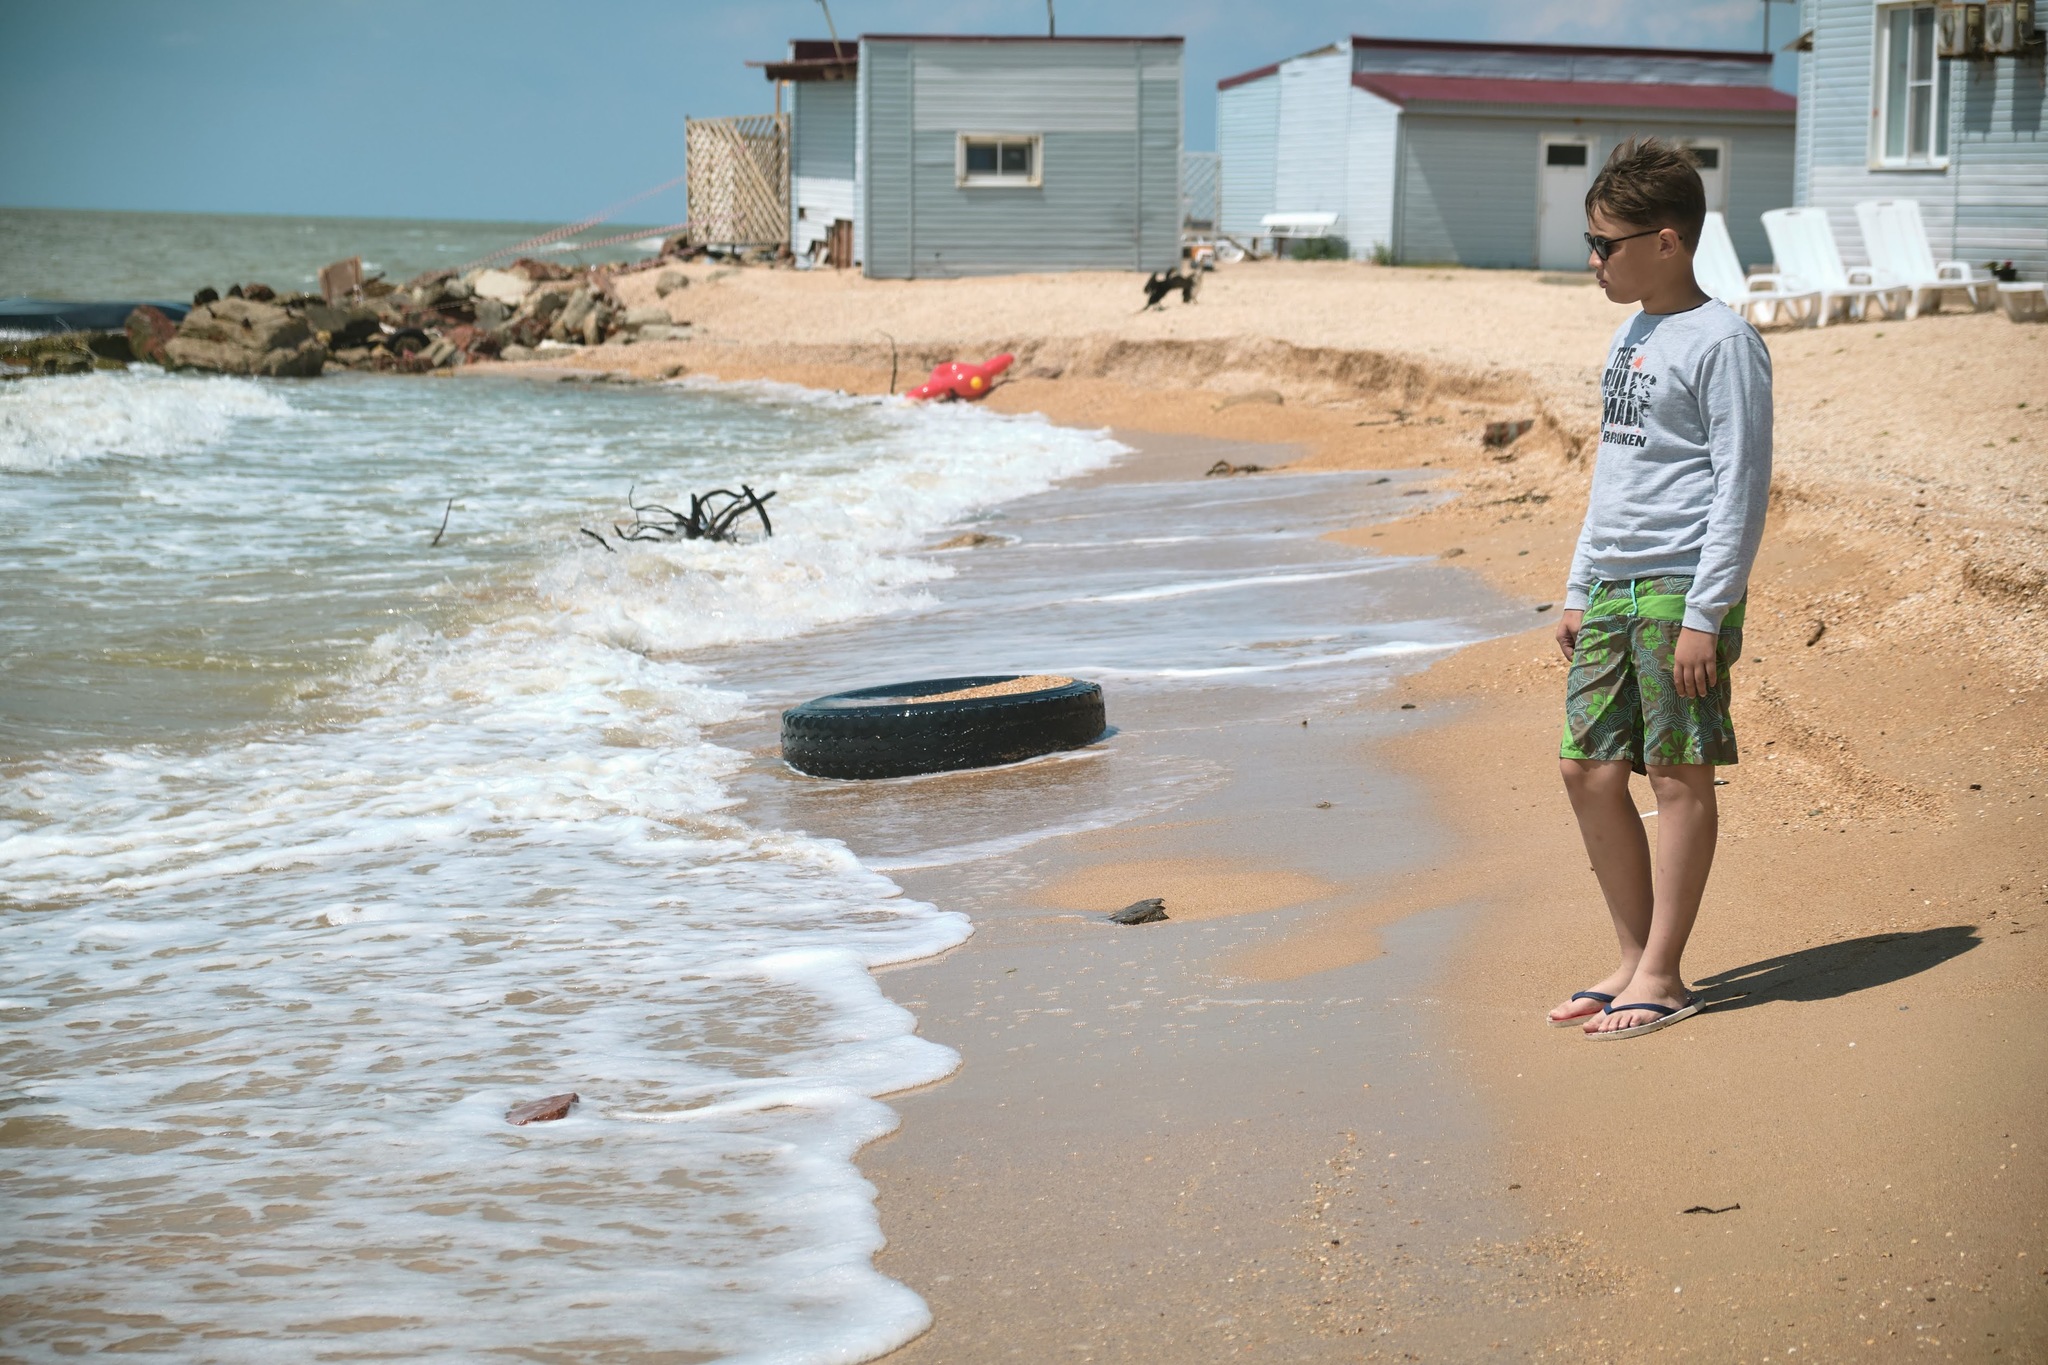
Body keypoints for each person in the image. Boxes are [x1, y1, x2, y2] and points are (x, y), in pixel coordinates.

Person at [1546, 138, 1772, 1040]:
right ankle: (1633, 955)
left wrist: (1706, 616)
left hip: (1682, 591)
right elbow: (1613, 473)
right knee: (1587, 767)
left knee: (1678, 775)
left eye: (1607, 244)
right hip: (1613, 585)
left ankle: (1665, 973)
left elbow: (1741, 488)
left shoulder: (1724, 343)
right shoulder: (1631, 332)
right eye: (1591, 242)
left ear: (1668, 241)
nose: (1593, 261)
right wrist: (1577, 585)